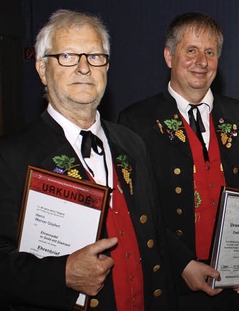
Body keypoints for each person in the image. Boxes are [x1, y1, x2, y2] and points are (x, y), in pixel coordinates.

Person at [0, 9, 176, 310]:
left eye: (95, 56)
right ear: (42, 69)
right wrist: (61, 274)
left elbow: (155, 235)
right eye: (68, 56)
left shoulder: (132, 144)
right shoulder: (12, 156)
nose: (84, 68)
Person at [119, 13, 239, 310]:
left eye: (210, 52)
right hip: (173, 281)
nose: (202, 61)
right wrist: (182, 263)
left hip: (237, 281)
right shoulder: (137, 121)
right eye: (190, 50)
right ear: (169, 56)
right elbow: (135, 208)